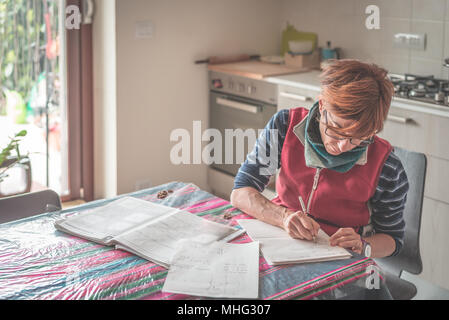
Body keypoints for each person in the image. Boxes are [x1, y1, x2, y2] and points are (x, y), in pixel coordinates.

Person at [230, 59, 408, 259]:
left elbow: (393, 239)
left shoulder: (388, 167)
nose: (343, 147)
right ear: (322, 106)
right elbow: (241, 192)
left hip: (340, 257)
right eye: (336, 131)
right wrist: (283, 216)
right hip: (280, 239)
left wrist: (364, 245)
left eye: (358, 139)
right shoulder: (284, 125)